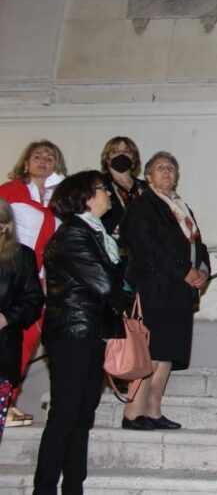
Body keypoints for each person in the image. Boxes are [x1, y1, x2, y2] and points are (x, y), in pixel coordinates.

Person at [33, 170, 129, 495]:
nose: (109, 194)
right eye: (103, 189)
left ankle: (73, 487)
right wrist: (124, 288)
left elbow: (111, 282)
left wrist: (120, 282)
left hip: (91, 333)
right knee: (65, 416)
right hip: (73, 333)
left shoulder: (97, 234)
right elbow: (105, 284)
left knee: (82, 416)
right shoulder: (75, 234)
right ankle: (44, 488)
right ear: (87, 197)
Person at [120, 152, 210, 431]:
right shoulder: (143, 206)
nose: (167, 172)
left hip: (179, 292)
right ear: (148, 176)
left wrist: (204, 271)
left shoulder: (181, 207)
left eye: (171, 168)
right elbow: (149, 247)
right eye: (161, 168)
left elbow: (199, 245)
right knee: (150, 352)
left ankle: (154, 410)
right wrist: (183, 271)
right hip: (155, 288)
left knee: (167, 352)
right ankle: (133, 413)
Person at [0, 139, 67, 427]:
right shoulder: (9, 192)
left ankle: (8, 398)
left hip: (43, 282)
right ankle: (7, 400)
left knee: (26, 345)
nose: (43, 160)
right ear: (25, 163)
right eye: (36, 156)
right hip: (11, 274)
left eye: (50, 157)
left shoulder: (61, 199)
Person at [0, 199, 44, 443]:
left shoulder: (22, 257)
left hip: (3, 350)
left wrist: (7, 317)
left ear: (5, 226)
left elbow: (34, 301)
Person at [98, 136, 148, 245]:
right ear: (107, 159)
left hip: (144, 253)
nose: (121, 154)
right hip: (110, 251)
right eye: (115, 151)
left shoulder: (147, 188)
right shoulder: (98, 186)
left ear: (134, 158)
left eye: (126, 151)